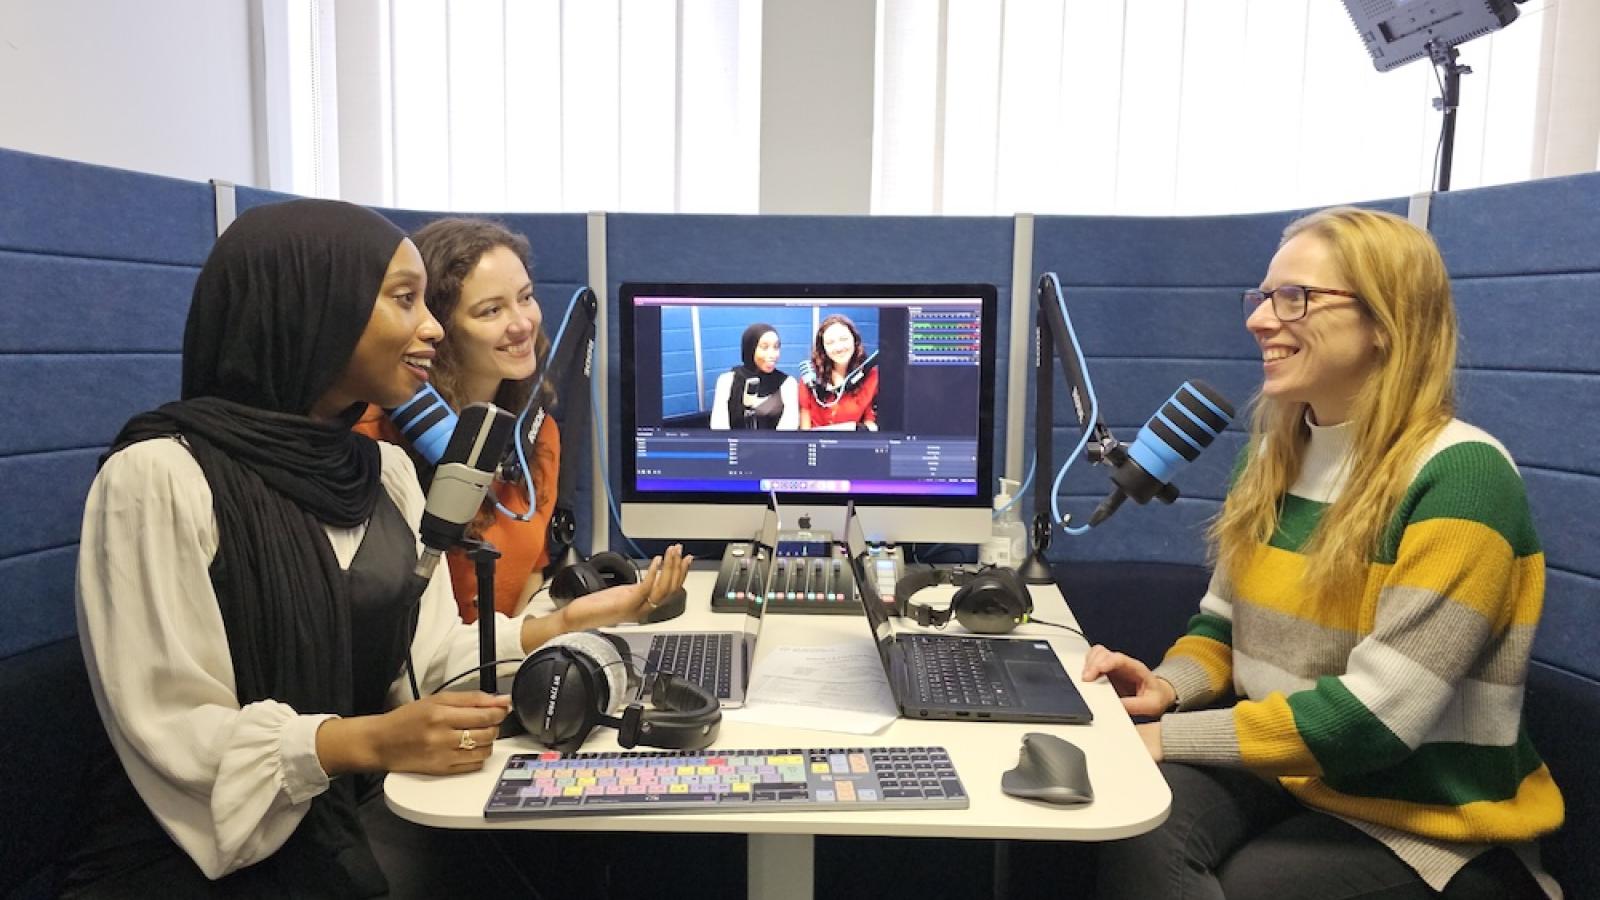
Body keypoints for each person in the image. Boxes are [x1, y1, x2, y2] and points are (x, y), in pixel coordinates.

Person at [66, 199, 689, 898]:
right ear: (314, 309)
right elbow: (174, 729)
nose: (429, 329)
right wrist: (371, 742)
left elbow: (425, 663)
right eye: (405, 301)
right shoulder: (158, 478)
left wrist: (577, 623)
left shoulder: (382, 473)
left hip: (348, 818)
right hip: (202, 860)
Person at [1081, 207, 1562, 899]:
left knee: (1244, 881)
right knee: (1132, 815)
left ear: (1384, 321)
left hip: (1422, 822)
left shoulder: (1461, 477)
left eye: (1295, 298)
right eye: (1263, 297)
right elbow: (1222, 628)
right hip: (1295, 778)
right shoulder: (1276, 455)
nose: (1260, 320)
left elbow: (1372, 722)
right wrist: (1167, 688)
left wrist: (1164, 738)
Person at [354, 217, 570, 622]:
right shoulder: (371, 440)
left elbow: (527, 584)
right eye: (491, 311)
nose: (522, 323)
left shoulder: (538, 439)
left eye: (525, 297)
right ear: (439, 327)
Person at [710, 322, 799, 430]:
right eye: (764, 347)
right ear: (750, 348)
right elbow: (719, 431)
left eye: (776, 347)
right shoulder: (726, 381)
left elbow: (787, 434)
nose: (773, 355)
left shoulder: (788, 384)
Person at [798, 313, 879, 430]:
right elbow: (804, 431)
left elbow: (870, 425)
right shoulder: (810, 377)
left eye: (843, 339)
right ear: (823, 347)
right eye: (830, 342)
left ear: (854, 340)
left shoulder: (871, 376)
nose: (839, 347)